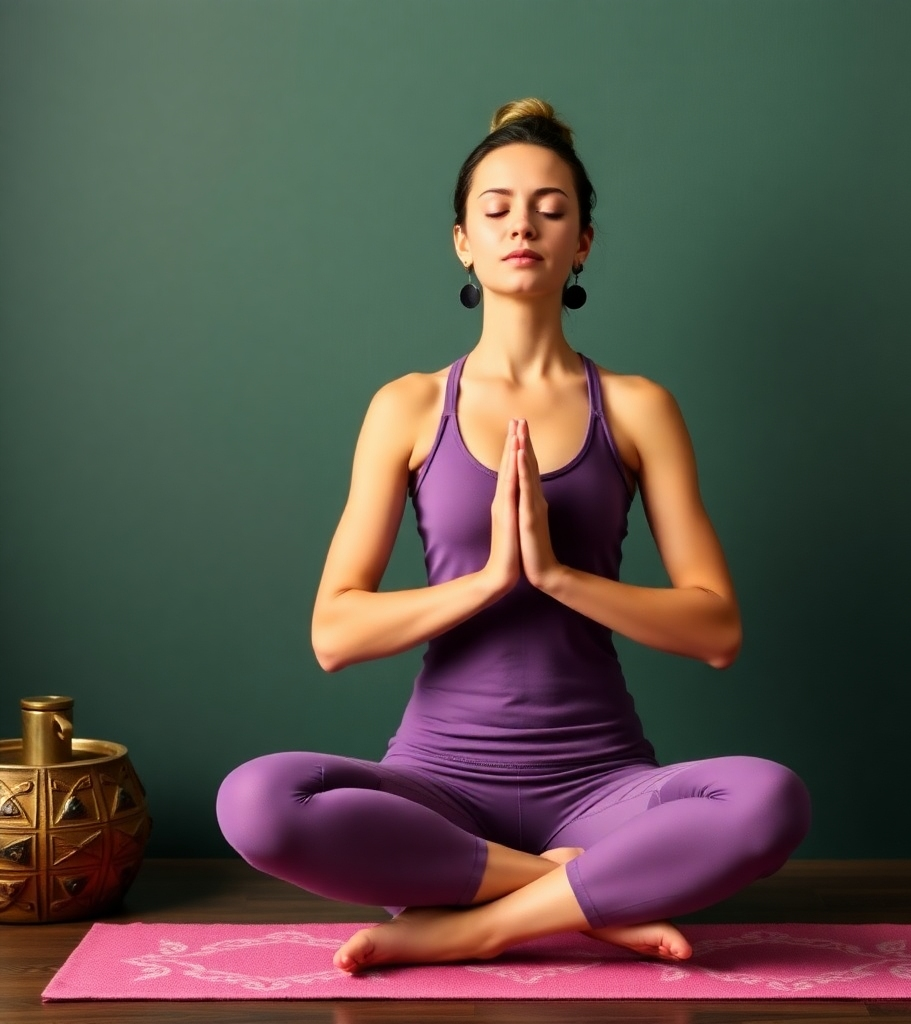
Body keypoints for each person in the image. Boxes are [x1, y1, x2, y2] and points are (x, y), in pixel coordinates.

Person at [216, 98, 811, 975]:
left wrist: (559, 575)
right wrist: (492, 578)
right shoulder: (410, 407)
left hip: (605, 788)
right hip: (436, 797)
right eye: (495, 209)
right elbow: (333, 633)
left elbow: (716, 629)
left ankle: (471, 926)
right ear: (462, 239)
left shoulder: (639, 408)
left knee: (769, 800)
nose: (521, 225)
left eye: (551, 208)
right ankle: (579, 896)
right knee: (258, 801)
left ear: (585, 243)